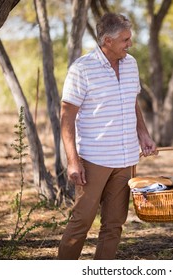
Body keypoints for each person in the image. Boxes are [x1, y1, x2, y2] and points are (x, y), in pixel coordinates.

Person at [58, 13, 156, 260]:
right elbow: (67, 117)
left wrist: (142, 133)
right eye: (125, 39)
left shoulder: (131, 63)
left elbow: (132, 102)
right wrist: (72, 161)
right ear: (107, 41)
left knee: (114, 225)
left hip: (126, 160)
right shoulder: (82, 69)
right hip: (94, 160)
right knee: (82, 221)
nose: (129, 44)